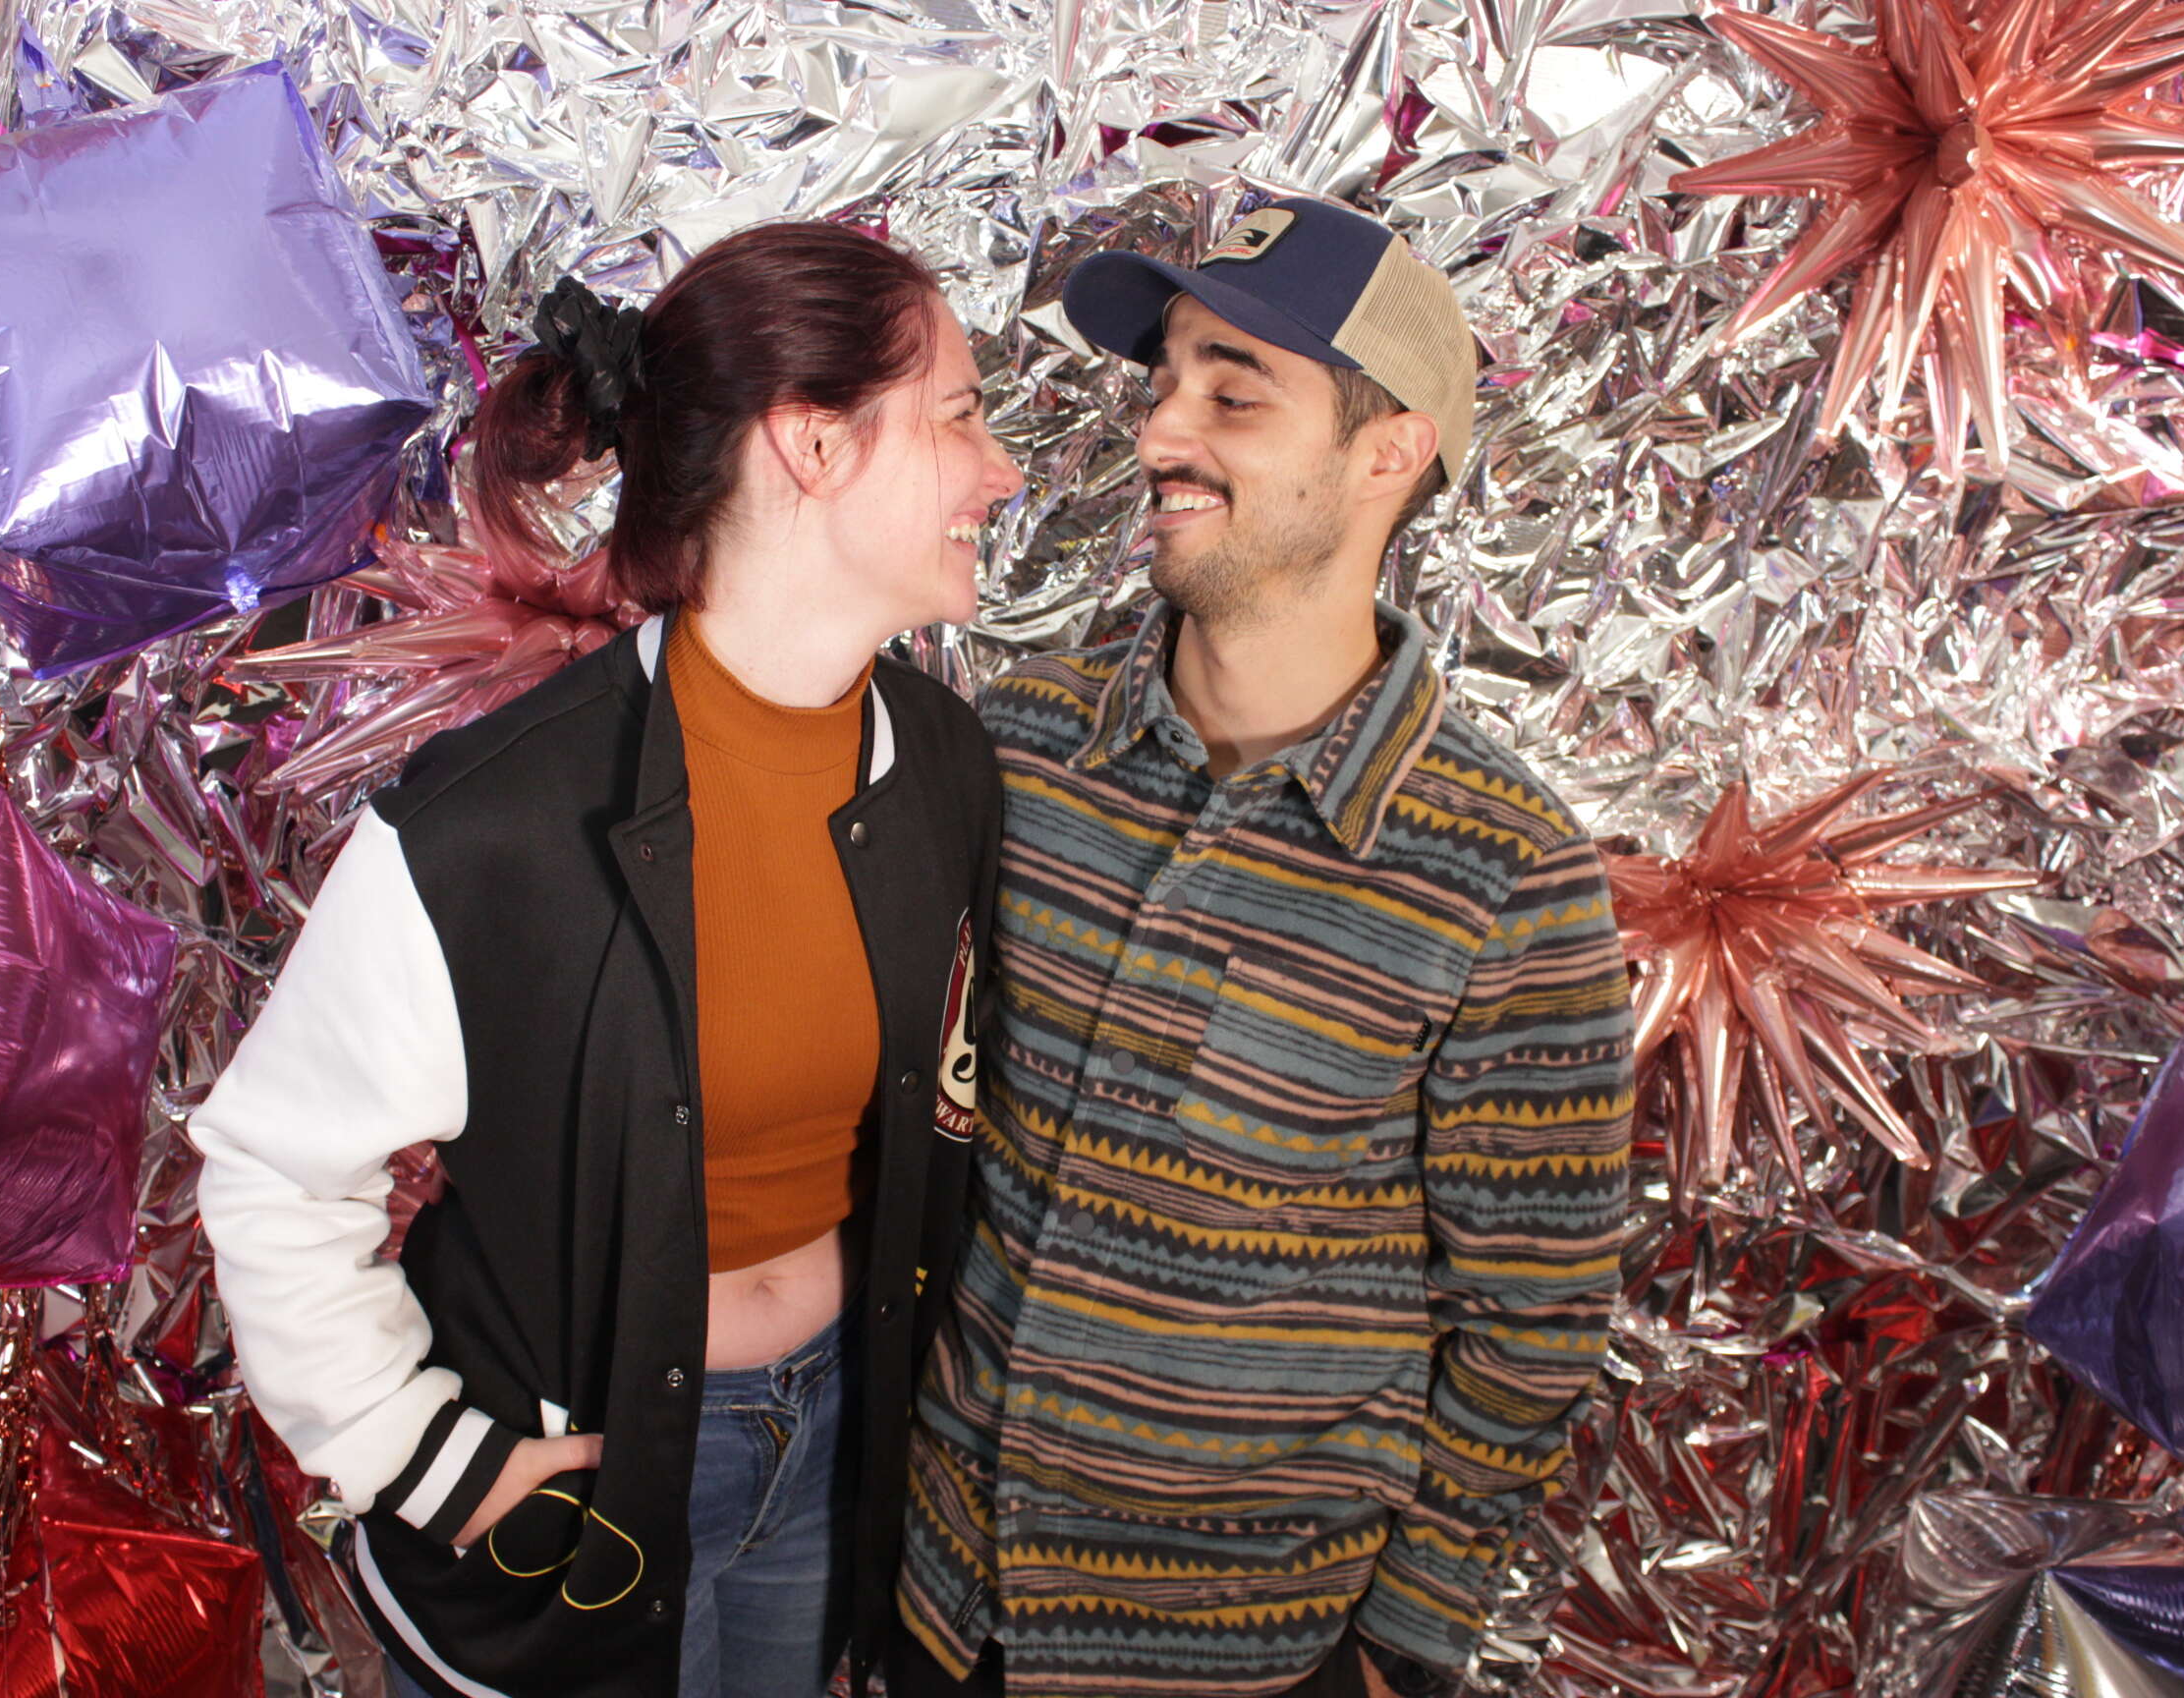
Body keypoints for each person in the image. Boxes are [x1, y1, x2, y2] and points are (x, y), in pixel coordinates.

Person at [192, 221, 1023, 1698]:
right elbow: (273, 1169)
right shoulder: (492, 826)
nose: (1001, 470)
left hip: (839, 1450)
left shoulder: (943, 764)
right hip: (588, 1476)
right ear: (812, 444)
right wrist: (416, 1454)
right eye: (957, 416)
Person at [889, 198, 1637, 1698]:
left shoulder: (1506, 873)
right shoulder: (1020, 745)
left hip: (1242, 1652)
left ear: (1387, 453)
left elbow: (1529, 1324)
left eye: (1234, 395)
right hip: (938, 1608)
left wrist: (1401, 1653)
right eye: (1165, 381)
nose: (1162, 430)